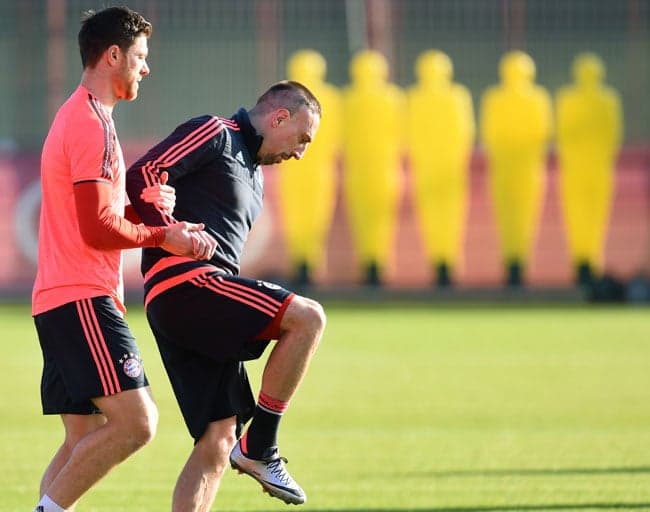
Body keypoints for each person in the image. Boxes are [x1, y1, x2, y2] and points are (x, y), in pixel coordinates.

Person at [31, 7, 216, 512]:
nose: (146, 67)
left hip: (59, 296)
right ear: (112, 55)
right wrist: (164, 237)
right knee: (137, 424)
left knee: (82, 437)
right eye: (140, 56)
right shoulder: (90, 122)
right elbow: (96, 228)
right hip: (81, 297)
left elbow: (97, 212)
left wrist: (146, 211)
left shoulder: (84, 116)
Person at [125, 81, 326, 509]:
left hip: (195, 300)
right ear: (279, 117)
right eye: (302, 138)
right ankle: (263, 447)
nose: (300, 152)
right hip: (186, 285)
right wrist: (168, 231)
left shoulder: (255, 176)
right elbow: (144, 173)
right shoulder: (216, 133)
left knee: (219, 438)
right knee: (308, 318)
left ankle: (248, 447)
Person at [479, 50, 552, 286]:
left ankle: (519, 263)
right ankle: (512, 262)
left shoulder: (536, 99)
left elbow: (541, 133)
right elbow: (490, 132)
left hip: (526, 168)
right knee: (508, 218)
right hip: (507, 168)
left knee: (524, 217)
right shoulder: (495, 99)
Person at [406, 50, 475, 287]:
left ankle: (448, 263)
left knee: (451, 217)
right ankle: (438, 263)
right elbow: (412, 131)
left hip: (448, 166)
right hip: (430, 166)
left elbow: (464, 131)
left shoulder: (456, 97)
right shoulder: (417, 98)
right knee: (433, 217)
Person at [556, 52, 623, 287]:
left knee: (594, 219)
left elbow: (611, 136)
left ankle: (590, 263)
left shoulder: (606, 101)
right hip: (580, 170)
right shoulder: (570, 100)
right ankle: (582, 263)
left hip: (594, 170)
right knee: (578, 218)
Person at [278, 49, 342, 286]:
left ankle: (307, 267)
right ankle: (304, 267)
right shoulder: (331, 98)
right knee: (304, 218)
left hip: (306, 168)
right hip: (306, 169)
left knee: (312, 219)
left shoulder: (281, 97)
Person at [341, 50, 405, 286]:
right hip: (367, 168)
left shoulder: (391, 98)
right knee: (368, 218)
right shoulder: (351, 99)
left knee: (379, 218)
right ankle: (371, 265)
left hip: (379, 168)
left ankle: (377, 265)